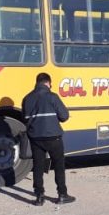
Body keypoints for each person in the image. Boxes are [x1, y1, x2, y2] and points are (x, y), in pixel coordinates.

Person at [21, 72, 75, 206]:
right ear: (48, 83)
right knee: (58, 165)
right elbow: (64, 116)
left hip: (36, 138)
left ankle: (39, 197)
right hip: (53, 137)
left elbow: (25, 118)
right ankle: (62, 194)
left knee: (38, 167)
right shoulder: (52, 97)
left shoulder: (27, 98)